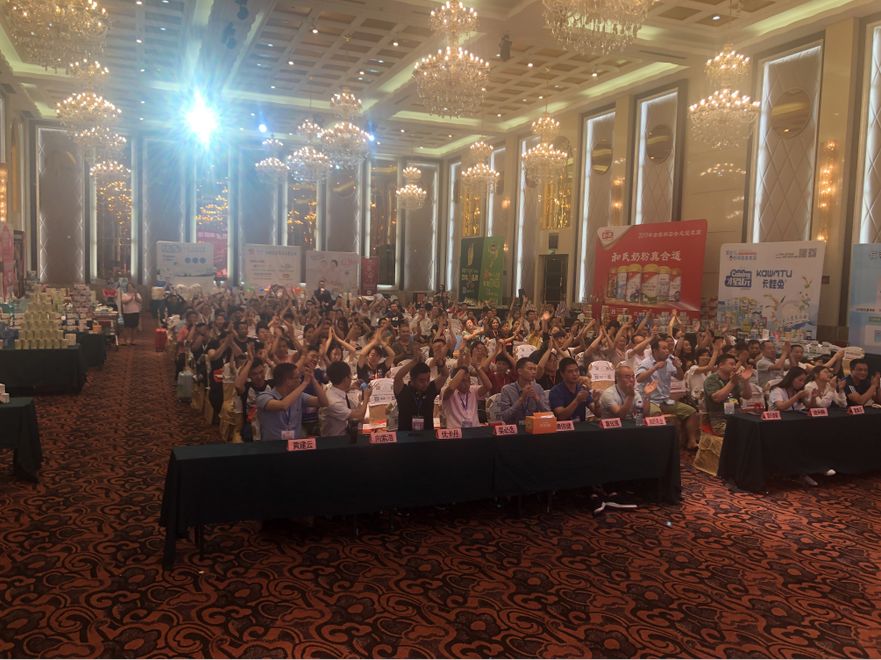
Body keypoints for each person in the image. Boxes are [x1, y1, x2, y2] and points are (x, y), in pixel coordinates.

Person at [636, 337, 699, 450]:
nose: (667, 351)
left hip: (665, 400)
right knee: (656, 414)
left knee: (692, 412)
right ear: (655, 350)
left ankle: (692, 441)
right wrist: (655, 367)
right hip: (649, 401)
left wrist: (678, 367)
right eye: (664, 348)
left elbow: (680, 377)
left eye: (668, 348)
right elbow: (639, 378)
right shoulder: (646, 362)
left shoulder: (669, 361)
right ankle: (657, 446)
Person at [256, 362, 329, 441]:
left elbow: (323, 403)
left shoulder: (299, 396)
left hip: (295, 444)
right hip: (273, 445)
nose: (300, 380)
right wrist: (304, 383)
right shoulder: (264, 397)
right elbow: (283, 405)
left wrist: (313, 379)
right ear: (288, 380)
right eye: (297, 377)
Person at [393, 353, 448, 431]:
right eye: (421, 381)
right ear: (412, 379)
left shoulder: (430, 388)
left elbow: (444, 375)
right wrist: (414, 362)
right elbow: (398, 378)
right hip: (406, 435)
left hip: (427, 435)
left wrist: (441, 364)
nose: (426, 383)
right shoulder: (403, 391)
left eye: (428, 379)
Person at [703, 354, 754, 435]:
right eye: (731, 364)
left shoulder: (734, 378)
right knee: (740, 433)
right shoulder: (711, 380)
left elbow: (747, 396)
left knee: (755, 430)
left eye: (735, 364)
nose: (734, 367)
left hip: (738, 416)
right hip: (720, 420)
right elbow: (717, 398)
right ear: (721, 365)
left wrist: (746, 381)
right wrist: (732, 383)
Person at [321, 361, 372, 437]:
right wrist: (366, 397)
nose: (351, 379)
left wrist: (350, 387)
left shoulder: (332, 391)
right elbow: (359, 416)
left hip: (344, 435)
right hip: (336, 440)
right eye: (350, 375)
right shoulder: (334, 402)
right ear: (346, 378)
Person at [441, 355, 491, 429]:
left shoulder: (473, 390)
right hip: (456, 431)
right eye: (463, 381)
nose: (467, 384)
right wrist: (464, 368)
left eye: (468, 380)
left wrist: (477, 367)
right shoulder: (445, 390)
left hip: (475, 430)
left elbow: (488, 386)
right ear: (455, 380)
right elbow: (451, 388)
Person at [497, 357, 550, 424]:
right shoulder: (507, 390)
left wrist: (537, 398)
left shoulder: (537, 388)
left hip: (533, 426)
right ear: (520, 371)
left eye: (534, 369)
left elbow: (548, 413)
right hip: (515, 427)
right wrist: (521, 399)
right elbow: (505, 417)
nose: (534, 372)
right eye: (530, 369)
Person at [235, 351, 271, 442]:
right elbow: (238, 386)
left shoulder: (271, 384)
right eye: (254, 374)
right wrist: (250, 362)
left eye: (261, 372)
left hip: (271, 423)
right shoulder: (247, 387)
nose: (259, 376)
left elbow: (283, 376)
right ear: (249, 375)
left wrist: (268, 360)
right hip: (251, 426)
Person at [549, 357, 595, 422]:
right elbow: (561, 416)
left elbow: (597, 413)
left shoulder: (582, 388)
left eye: (576, 370)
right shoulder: (555, 391)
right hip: (564, 427)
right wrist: (577, 400)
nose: (574, 374)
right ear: (562, 374)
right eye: (570, 371)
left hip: (581, 426)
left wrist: (597, 402)